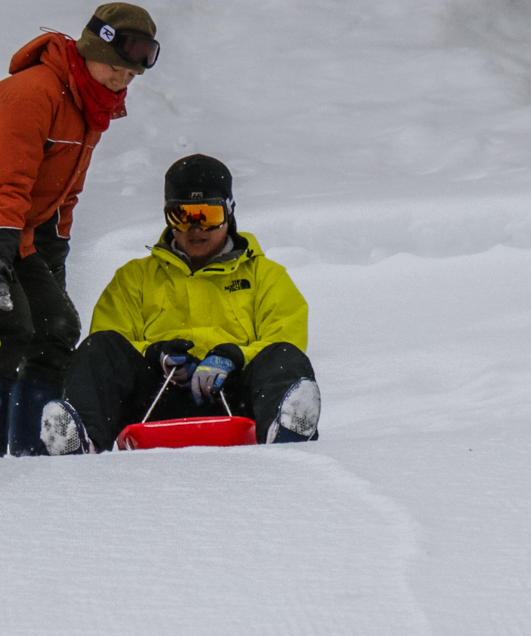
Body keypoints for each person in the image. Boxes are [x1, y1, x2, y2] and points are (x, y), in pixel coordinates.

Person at [0, 2, 160, 458]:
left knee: (57, 326)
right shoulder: (33, 93)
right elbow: (8, 181)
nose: (124, 79)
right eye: (117, 66)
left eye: (133, 73)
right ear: (89, 50)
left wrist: (52, 259)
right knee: (6, 324)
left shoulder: (91, 107)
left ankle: (32, 455)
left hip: (10, 224)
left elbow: (64, 196)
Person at [39, 154, 321, 453]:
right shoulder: (135, 277)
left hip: (237, 398)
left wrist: (235, 356)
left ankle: (286, 433)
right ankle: (82, 442)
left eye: (208, 215)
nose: (195, 228)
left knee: (284, 356)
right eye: (181, 216)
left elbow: (285, 335)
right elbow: (111, 337)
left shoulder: (266, 276)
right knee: (99, 348)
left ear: (229, 212)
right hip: (156, 399)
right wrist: (155, 354)